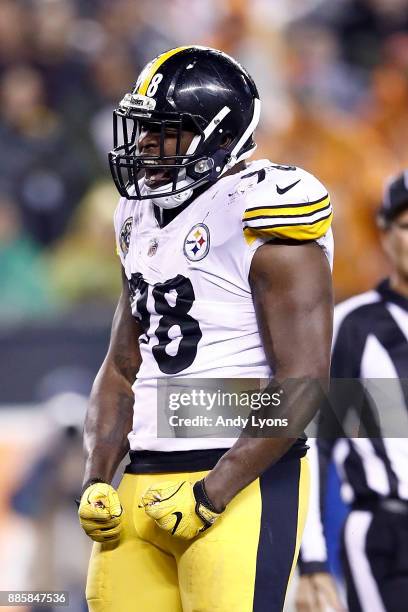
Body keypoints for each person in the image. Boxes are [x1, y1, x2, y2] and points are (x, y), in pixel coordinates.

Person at [77, 45, 334, 612]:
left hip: (238, 479)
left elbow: (305, 379)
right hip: (143, 476)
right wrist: (98, 476)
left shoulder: (260, 209)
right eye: (142, 129)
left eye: (162, 132)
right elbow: (122, 366)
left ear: (217, 135)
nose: (142, 145)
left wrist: (212, 494)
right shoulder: (135, 214)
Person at [296, 170, 408, 612]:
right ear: (384, 233)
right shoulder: (352, 328)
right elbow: (311, 443)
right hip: (390, 537)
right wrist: (312, 559)